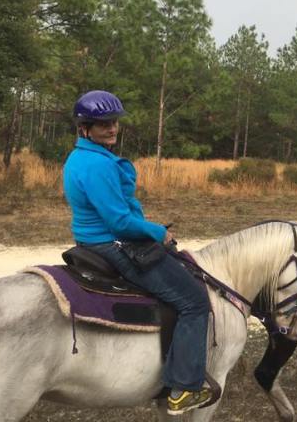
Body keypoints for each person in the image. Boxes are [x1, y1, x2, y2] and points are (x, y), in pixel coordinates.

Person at [62, 90, 218, 415]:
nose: (112, 129)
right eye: (103, 124)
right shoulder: (96, 164)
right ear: (85, 127)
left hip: (94, 242)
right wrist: (159, 232)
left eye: (114, 122)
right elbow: (119, 222)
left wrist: (147, 227)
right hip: (113, 245)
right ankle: (183, 388)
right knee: (194, 301)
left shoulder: (83, 157)